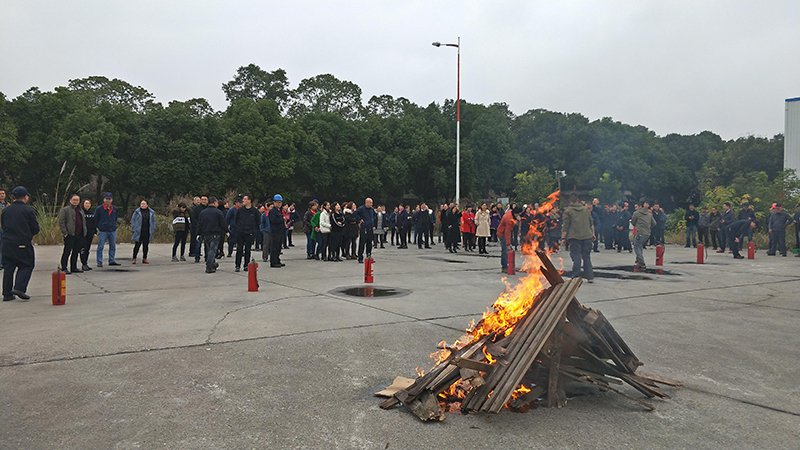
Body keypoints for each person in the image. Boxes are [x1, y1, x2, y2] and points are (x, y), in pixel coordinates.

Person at [1, 187, 39, 301]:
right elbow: (35, 228)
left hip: (7, 242)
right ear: (25, 197)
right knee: (27, 264)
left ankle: (7, 294)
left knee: (8, 268)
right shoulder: (29, 210)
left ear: (13, 197)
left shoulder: (5, 210)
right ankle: (19, 287)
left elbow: (3, 225)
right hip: (22, 243)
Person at [561, 194, 595, 282]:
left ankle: (576, 275)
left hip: (574, 237)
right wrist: (593, 234)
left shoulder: (568, 211)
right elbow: (591, 223)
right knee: (586, 256)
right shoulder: (585, 209)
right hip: (587, 236)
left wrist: (563, 238)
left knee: (576, 256)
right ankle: (590, 276)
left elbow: (565, 226)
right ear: (578, 200)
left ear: (570, 201)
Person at [57, 194, 87, 273]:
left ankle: (74, 267)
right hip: (70, 234)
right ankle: (64, 267)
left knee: (76, 252)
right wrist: (65, 233)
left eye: (77, 200)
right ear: (70, 200)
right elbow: (61, 222)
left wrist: (84, 232)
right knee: (67, 251)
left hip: (79, 234)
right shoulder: (65, 210)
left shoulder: (80, 210)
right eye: (74, 200)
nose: (75, 201)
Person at [198, 197, 226, 273]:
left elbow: (200, 223)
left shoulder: (203, 212)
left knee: (210, 249)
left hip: (205, 233)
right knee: (213, 250)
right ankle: (209, 266)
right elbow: (222, 223)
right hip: (215, 233)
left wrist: (199, 233)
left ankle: (213, 263)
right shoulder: (218, 212)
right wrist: (226, 231)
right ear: (214, 203)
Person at [234, 194, 260, 271]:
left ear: (249, 200)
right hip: (240, 232)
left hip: (250, 232)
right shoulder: (240, 210)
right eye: (243, 199)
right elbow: (236, 220)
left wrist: (253, 230)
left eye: (245, 199)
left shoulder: (254, 211)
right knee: (239, 249)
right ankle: (237, 265)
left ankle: (246, 265)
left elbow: (258, 222)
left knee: (247, 250)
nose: (243, 200)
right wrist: (238, 228)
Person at [95, 192, 121, 267]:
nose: (108, 201)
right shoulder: (99, 209)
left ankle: (111, 260)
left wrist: (114, 225)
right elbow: (96, 219)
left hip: (112, 230)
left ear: (112, 200)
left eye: (109, 199)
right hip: (103, 231)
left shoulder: (115, 209)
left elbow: (115, 218)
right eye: (106, 199)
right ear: (104, 199)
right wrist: (99, 227)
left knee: (113, 246)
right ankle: (99, 261)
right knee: (100, 246)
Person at [630, 201, 656, 267]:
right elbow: (654, 223)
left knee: (636, 246)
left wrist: (638, 225)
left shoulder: (636, 213)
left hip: (640, 232)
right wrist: (648, 227)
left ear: (640, 206)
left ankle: (641, 261)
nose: (635, 208)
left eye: (636, 207)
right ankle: (638, 258)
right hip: (647, 233)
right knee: (640, 246)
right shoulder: (649, 214)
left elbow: (633, 222)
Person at [497, 205, 522, 272]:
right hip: (502, 234)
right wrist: (508, 244)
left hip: (506, 233)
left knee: (507, 250)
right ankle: (504, 267)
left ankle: (508, 265)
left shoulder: (511, 212)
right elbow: (507, 232)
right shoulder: (509, 219)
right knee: (505, 250)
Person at [130, 199, 156, 264]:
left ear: (147, 205)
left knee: (146, 246)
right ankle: (134, 258)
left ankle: (144, 258)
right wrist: (134, 228)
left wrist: (153, 228)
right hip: (139, 231)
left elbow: (153, 221)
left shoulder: (151, 212)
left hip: (147, 231)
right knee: (137, 245)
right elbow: (133, 220)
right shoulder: (136, 212)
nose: (142, 205)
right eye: (141, 204)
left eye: (144, 204)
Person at [354, 198, 377, 263]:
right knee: (362, 243)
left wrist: (373, 224)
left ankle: (369, 256)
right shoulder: (361, 209)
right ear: (366, 203)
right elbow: (354, 214)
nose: (371, 204)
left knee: (369, 243)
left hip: (370, 228)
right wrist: (359, 219)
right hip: (364, 228)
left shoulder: (372, 209)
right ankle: (360, 257)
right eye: (370, 203)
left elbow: (374, 216)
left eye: (372, 203)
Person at [268, 194, 286, 267]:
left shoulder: (280, 211)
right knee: (274, 247)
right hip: (275, 231)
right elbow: (274, 220)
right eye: (277, 202)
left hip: (281, 231)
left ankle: (277, 260)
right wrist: (282, 219)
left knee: (279, 247)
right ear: (274, 202)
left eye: (280, 202)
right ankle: (273, 261)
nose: (279, 204)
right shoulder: (272, 211)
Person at [80, 199, 96, 271]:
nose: (87, 205)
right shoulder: (81, 212)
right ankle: (83, 264)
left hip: (90, 232)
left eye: (89, 203)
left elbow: (93, 223)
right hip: (83, 233)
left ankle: (86, 263)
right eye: (86, 203)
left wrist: (95, 232)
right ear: (83, 204)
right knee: (83, 248)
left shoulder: (91, 213)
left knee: (87, 249)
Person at [192, 196, 208, 263]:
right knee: (198, 244)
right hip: (199, 229)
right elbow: (193, 218)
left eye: (205, 200)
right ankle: (197, 257)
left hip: (207, 229)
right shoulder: (196, 209)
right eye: (202, 199)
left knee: (207, 245)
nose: (204, 201)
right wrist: (198, 225)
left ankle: (207, 257)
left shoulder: (208, 208)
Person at [0, 188, 8, 270]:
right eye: (0, 193)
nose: (2, 195)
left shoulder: (7, 204)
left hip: (6, 227)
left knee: (4, 246)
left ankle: (3, 262)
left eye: (3, 193)